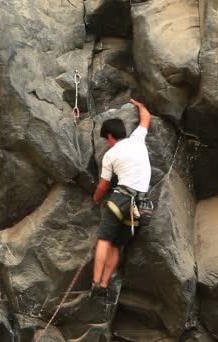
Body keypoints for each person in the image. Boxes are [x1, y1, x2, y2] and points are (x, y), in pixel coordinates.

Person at [90, 98, 152, 298]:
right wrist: (141, 106)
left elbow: (103, 186)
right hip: (140, 204)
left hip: (121, 198)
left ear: (110, 136)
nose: (106, 143)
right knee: (116, 244)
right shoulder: (138, 139)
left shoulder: (110, 154)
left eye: (106, 139)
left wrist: (96, 200)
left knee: (104, 240)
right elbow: (146, 118)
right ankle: (106, 283)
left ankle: (95, 283)